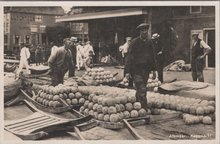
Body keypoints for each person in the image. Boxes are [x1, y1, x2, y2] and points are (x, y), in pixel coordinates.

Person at [125, 23, 157, 111]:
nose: (144, 32)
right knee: (142, 89)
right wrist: (127, 72)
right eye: (142, 30)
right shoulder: (134, 42)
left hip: (145, 71)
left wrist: (154, 70)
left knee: (140, 89)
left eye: (146, 30)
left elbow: (152, 56)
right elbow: (129, 57)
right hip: (136, 70)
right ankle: (144, 109)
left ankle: (136, 104)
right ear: (140, 32)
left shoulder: (149, 42)